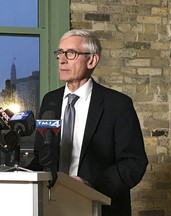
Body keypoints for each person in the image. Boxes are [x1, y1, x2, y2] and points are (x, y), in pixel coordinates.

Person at [26, 29, 148, 216]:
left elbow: (134, 163)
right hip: (51, 205)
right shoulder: (50, 101)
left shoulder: (118, 104)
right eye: (60, 53)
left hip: (99, 206)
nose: (62, 60)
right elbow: (41, 156)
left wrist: (91, 185)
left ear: (92, 60)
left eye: (70, 53)